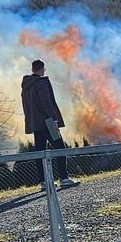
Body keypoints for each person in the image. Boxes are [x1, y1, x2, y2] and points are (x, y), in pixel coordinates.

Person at [22, 59, 79, 188]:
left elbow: (27, 106)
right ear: (42, 69)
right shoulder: (41, 83)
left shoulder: (26, 87)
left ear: (32, 69)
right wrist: (54, 119)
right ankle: (64, 178)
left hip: (36, 125)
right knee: (60, 148)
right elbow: (46, 103)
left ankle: (44, 182)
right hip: (48, 122)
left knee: (40, 153)